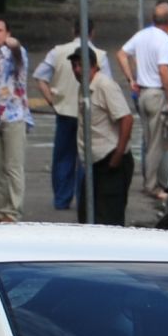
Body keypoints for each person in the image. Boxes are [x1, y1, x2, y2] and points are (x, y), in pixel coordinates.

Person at [35, 24, 107, 212]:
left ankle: (61, 198)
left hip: (64, 111)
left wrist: (51, 100)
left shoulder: (57, 52)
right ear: (93, 32)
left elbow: (40, 76)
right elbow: (106, 83)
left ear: (72, 31)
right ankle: (84, 198)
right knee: (86, 157)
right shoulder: (99, 55)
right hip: (89, 113)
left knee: (63, 157)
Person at [118, 3, 168, 203]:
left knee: (148, 139)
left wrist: (131, 79)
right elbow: (164, 70)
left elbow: (121, 54)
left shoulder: (142, 35)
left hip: (143, 93)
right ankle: (153, 185)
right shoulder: (165, 41)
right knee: (157, 144)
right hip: (157, 94)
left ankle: (150, 181)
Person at [72, 49, 134, 226]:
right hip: (94, 163)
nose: (77, 70)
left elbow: (127, 119)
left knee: (107, 219)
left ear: (93, 67)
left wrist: (117, 155)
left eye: (80, 65)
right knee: (87, 216)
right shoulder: (83, 88)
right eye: (74, 66)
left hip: (110, 160)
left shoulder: (105, 85)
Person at [0, 18, 33, 222]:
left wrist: (15, 44)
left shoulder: (14, 54)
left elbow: (20, 56)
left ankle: (13, 210)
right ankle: (0, 209)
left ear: (7, 33)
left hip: (13, 115)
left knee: (13, 166)